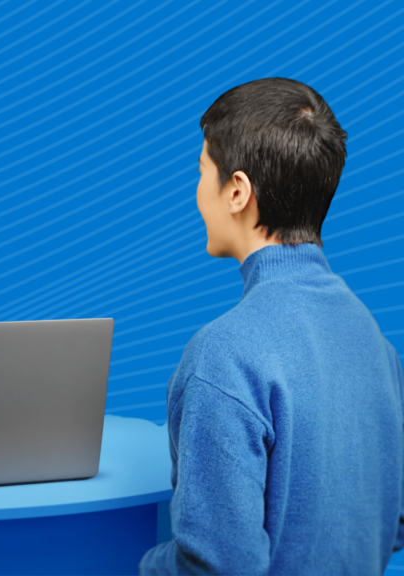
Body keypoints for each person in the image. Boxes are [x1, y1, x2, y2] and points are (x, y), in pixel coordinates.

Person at [139, 78, 404, 574]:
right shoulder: (377, 344)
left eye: (201, 171)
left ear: (236, 191)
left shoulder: (223, 356)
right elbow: (392, 523)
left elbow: (217, 566)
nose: (197, 191)